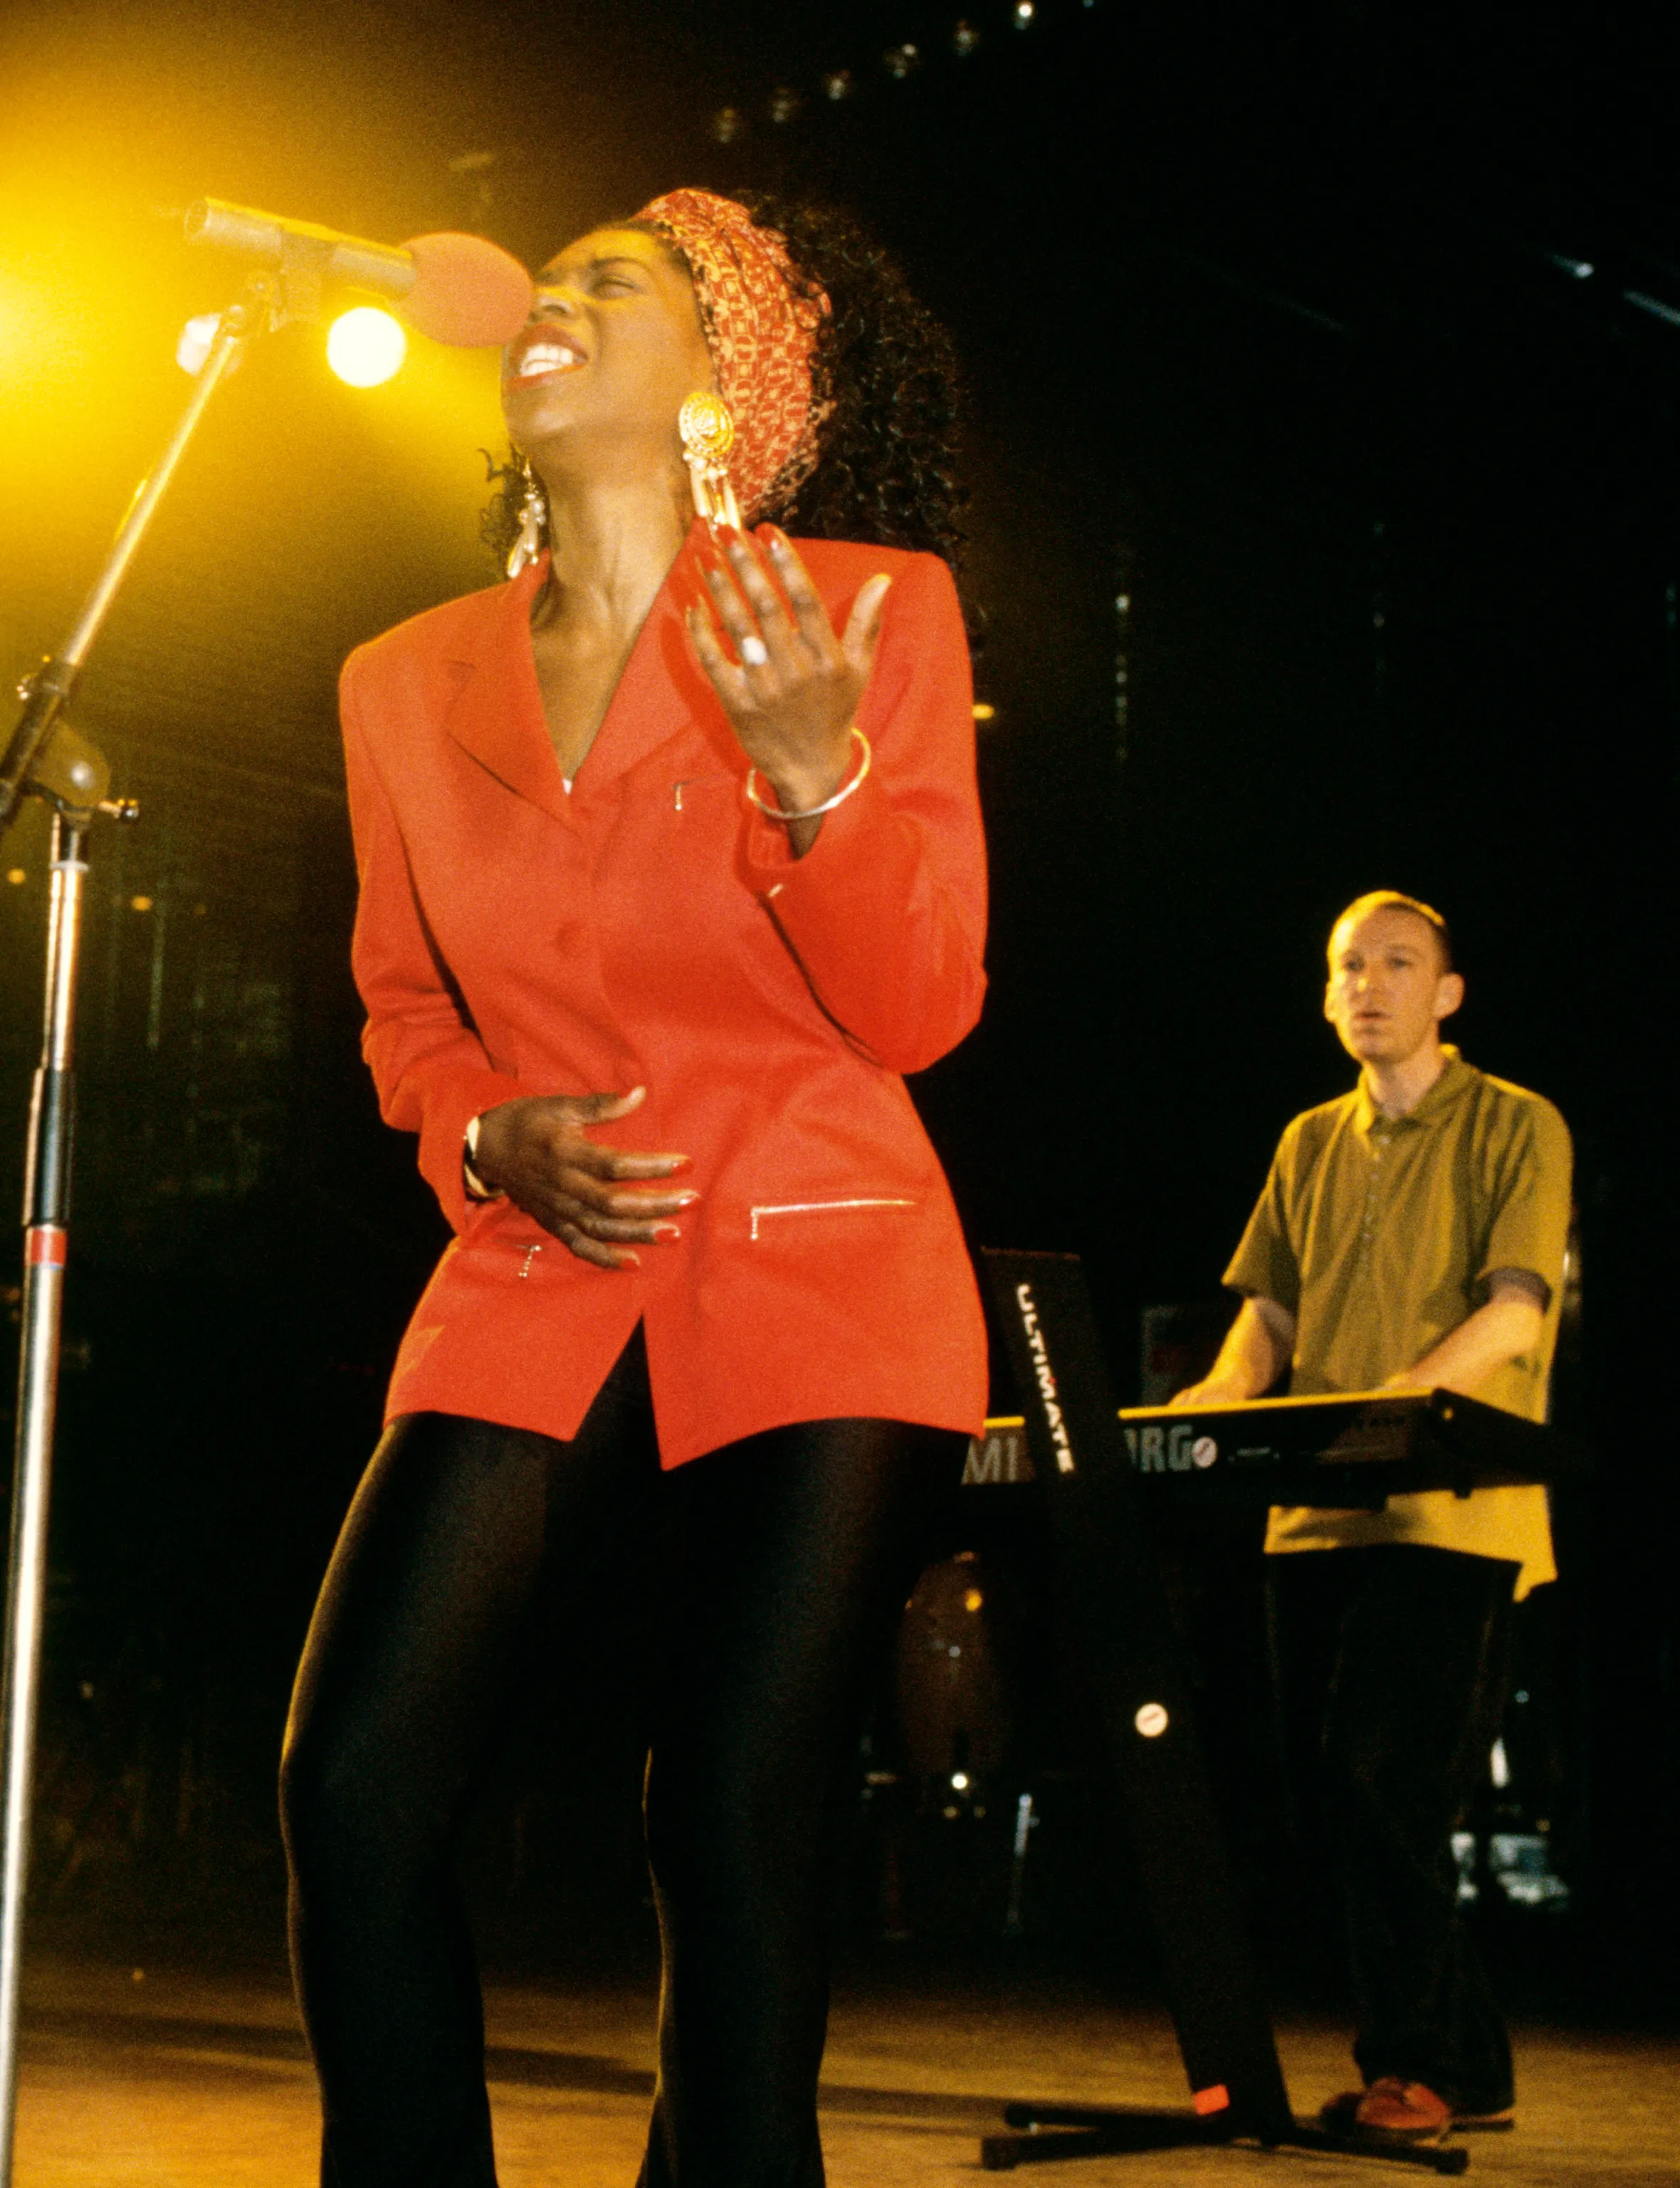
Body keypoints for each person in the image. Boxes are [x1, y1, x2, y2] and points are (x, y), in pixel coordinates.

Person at [278, 188, 989, 2188]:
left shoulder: (869, 613)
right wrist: (483, 1132)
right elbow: (405, 1014)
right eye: (551, 278)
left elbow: (921, 1006)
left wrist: (815, 779)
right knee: (356, 1786)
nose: (556, 299)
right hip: (537, 1256)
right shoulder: (398, 681)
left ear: (731, 375)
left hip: (824, 1262)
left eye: (621, 281)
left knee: (736, 1815)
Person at [1170, 891, 1571, 2145]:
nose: (1369, 984)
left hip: (1454, 1510)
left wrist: (1401, 1400)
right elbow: (1272, 1320)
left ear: (1448, 994)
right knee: (1322, 1797)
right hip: (1317, 1516)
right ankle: (1472, 2056)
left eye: (1398, 964)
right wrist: (1216, 1400)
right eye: (1349, 966)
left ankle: (1413, 2064)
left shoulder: (1517, 1123)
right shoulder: (1307, 1141)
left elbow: (1517, 1308)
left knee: (1381, 1781)